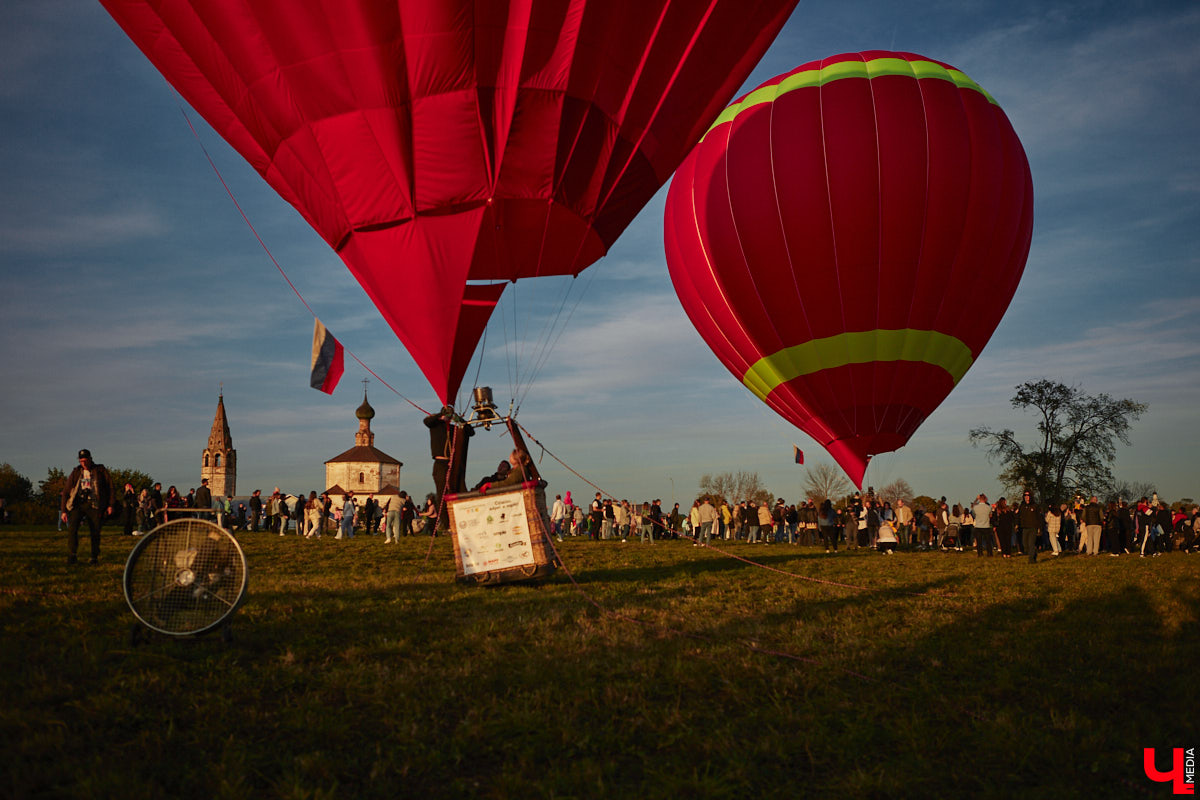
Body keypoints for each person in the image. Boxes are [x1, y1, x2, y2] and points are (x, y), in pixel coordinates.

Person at [60, 449, 115, 565]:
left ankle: (94, 557)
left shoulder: (100, 470)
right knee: (72, 529)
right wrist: (64, 511)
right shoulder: (76, 472)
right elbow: (65, 491)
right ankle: (72, 555)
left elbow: (110, 487)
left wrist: (110, 505)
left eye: (85, 460)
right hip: (78, 504)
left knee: (95, 531)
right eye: (81, 461)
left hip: (94, 504)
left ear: (90, 459)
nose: (83, 463)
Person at [425, 406, 473, 499]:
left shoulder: (453, 429)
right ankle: (443, 513)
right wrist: (441, 414)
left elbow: (471, 432)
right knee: (443, 493)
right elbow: (427, 421)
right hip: (441, 464)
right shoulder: (435, 426)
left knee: (461, 489)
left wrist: (460, 419)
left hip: (454, 464)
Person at [1016, 491, 1041, 563]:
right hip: (1024, 527)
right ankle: (1034, 553)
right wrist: (1017, 524)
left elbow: (1039, 518)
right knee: (1025, 544)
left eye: (1028, 495)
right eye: (1025, 495)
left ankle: (1031, 560)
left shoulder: (1035, 506)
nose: (1026, 496)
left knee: (1031, 544)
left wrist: (1039, 528)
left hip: (1033, 527)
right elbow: (1018, 516)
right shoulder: (1022, 506)